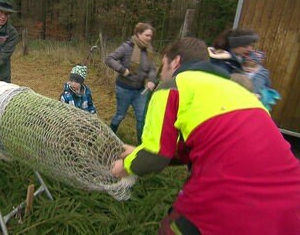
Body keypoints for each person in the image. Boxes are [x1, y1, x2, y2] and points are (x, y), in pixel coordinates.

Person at [111, 37, 300, 234]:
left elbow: (155, 156)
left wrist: (125, 166)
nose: (163, 74)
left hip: (228, 200)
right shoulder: (238, 90)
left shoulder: (173, 86)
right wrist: (138, 152)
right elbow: (201, 145)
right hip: (292, 203)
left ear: (175, 62)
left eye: (164, 66)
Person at [104, 22, 157, 144]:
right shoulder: (126, 47)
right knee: (120, 115)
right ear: (138, 34)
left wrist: (151, 80)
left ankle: (141, 146)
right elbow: (109, 59)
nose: (149, 38)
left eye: (151, 36)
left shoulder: (149, 50)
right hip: (124, 89)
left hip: (140, 91)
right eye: (147, 35)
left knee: (141, 118)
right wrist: (122, 70)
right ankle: (109, 139)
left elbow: (152, 68)